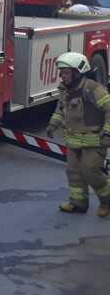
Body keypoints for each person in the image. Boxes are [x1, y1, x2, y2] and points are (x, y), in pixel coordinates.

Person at [46, 52, 110, 217]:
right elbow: (61, 109)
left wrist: (108, 132)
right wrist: (53, 124)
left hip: (94, 140)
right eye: (61, 73)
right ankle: (78, 204)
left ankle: (107, 202)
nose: (62, 76)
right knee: (73, 172)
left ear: (77, 72)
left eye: (66, 72)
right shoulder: (65, 90)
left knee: (90, 171)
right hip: (73, 141)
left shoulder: (93, 89)